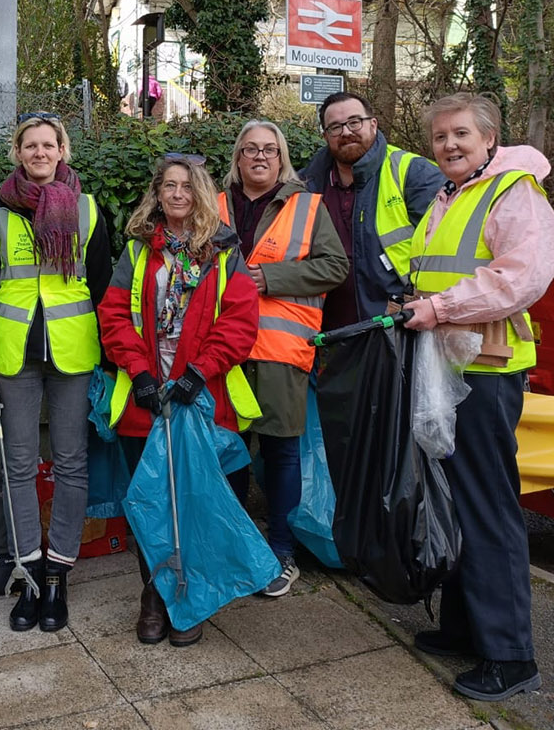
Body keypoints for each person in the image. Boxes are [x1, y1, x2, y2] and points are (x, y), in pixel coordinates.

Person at [402, 93, 554, 702]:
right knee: (456, 499)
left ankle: (510, 655)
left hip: (488, 372)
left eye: (460, 134)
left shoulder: (514, 192)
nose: (448, 145)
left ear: (489, 138)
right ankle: (465, 625)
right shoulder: (452, 196)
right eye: (440, 137)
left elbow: (522, 276)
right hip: (450, 363)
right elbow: (438, 270)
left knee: (488, 506)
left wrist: (438, 307)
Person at [98, 154, 261, 647]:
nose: (176, 195)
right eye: (168, 186)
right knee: (150, 503)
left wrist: (198, 372)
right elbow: (113, 316)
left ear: (202, 194)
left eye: (186, 187)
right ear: (157, 193)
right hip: (146, 400)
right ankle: (154, 595)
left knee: (192, 500)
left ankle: (188, 598)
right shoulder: (138, 252)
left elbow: (239, 321)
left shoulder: (225, 252)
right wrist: (141, 373)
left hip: (200, 397)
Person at [0, 113, 113, 633]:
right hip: (14, 357)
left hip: (73, 353)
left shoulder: (88, 210)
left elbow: (101, 289)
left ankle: (59, 575)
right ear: (18, 153)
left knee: (73, 462)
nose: (38, 153)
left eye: (47, 145)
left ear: (62, 151)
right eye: (29, 145)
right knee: (19, 466)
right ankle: (29, 573)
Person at [219, 121, 349, 597]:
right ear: (237, 156)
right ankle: (231, 547)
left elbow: (335, 267)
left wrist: (269, 280)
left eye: (269, 150)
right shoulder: (213, 203)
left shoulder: (308, 206)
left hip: (279, 350)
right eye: (250, 148)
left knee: (281, 453)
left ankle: (280, 552)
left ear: (282, 158)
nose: (259, 157)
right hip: (221, 352)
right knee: (227, 450)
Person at [301, 91, 445, 330]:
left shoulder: (412, 173)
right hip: (324, 331)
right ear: (326, 136)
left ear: (373, 125)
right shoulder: (307, 184)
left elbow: (443, 251)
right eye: (335, 127)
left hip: (396, 324)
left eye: (354, 122)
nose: (346, 132)